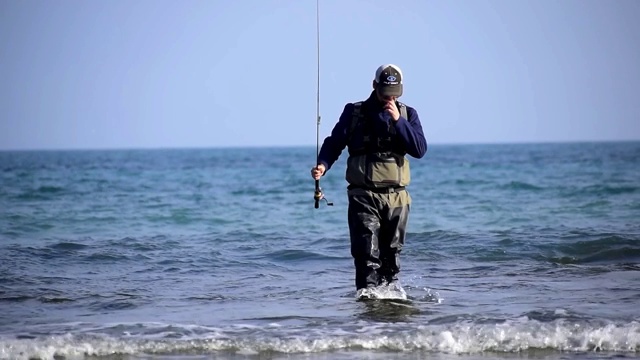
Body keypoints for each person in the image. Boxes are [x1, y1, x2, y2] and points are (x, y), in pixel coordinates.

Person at [310, 64, 427, 296]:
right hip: (363, 194)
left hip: (397, 197)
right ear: (374, 86)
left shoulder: (408, 114)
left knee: (391, 256)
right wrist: (323, 165)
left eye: (394, 93)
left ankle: (390, 309)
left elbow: (419, 149)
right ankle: (366, 312)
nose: (389, 97)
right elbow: (334, 142)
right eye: (385, 92)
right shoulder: (355, 112)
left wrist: (398, 121)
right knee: (366, 255)